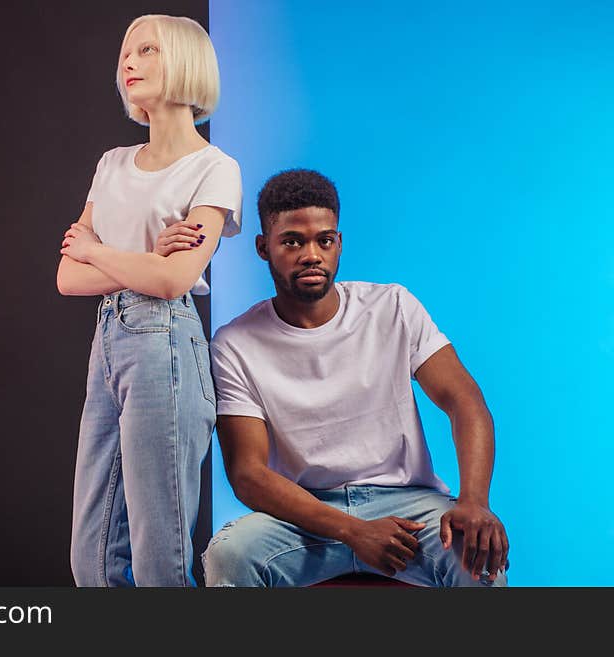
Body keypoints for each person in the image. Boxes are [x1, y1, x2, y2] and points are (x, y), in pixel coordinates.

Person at [201, 169, 508, 587]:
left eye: (324, 240)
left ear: (338, 243)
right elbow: (248, 473)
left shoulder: (392, 307)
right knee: (229, 556)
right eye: (292, 241)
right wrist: (352, 530)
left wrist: (474, 501)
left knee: (477, 557)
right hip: (303, 515)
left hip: (409, 506)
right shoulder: (235, 343)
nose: (311, 254)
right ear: (263, 247)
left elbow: (465, 401)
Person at [56, 14, 242, 587]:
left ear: (185, 60)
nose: (128, 64)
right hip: (107, 341)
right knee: (90, 558)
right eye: (126, 55)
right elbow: (67, 277)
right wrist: (142, 262)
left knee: (159, 557)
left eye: (146, 51)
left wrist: (100, 250)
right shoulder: (110, 164)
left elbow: (173, 282)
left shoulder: (214, 167)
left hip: (166, 343)